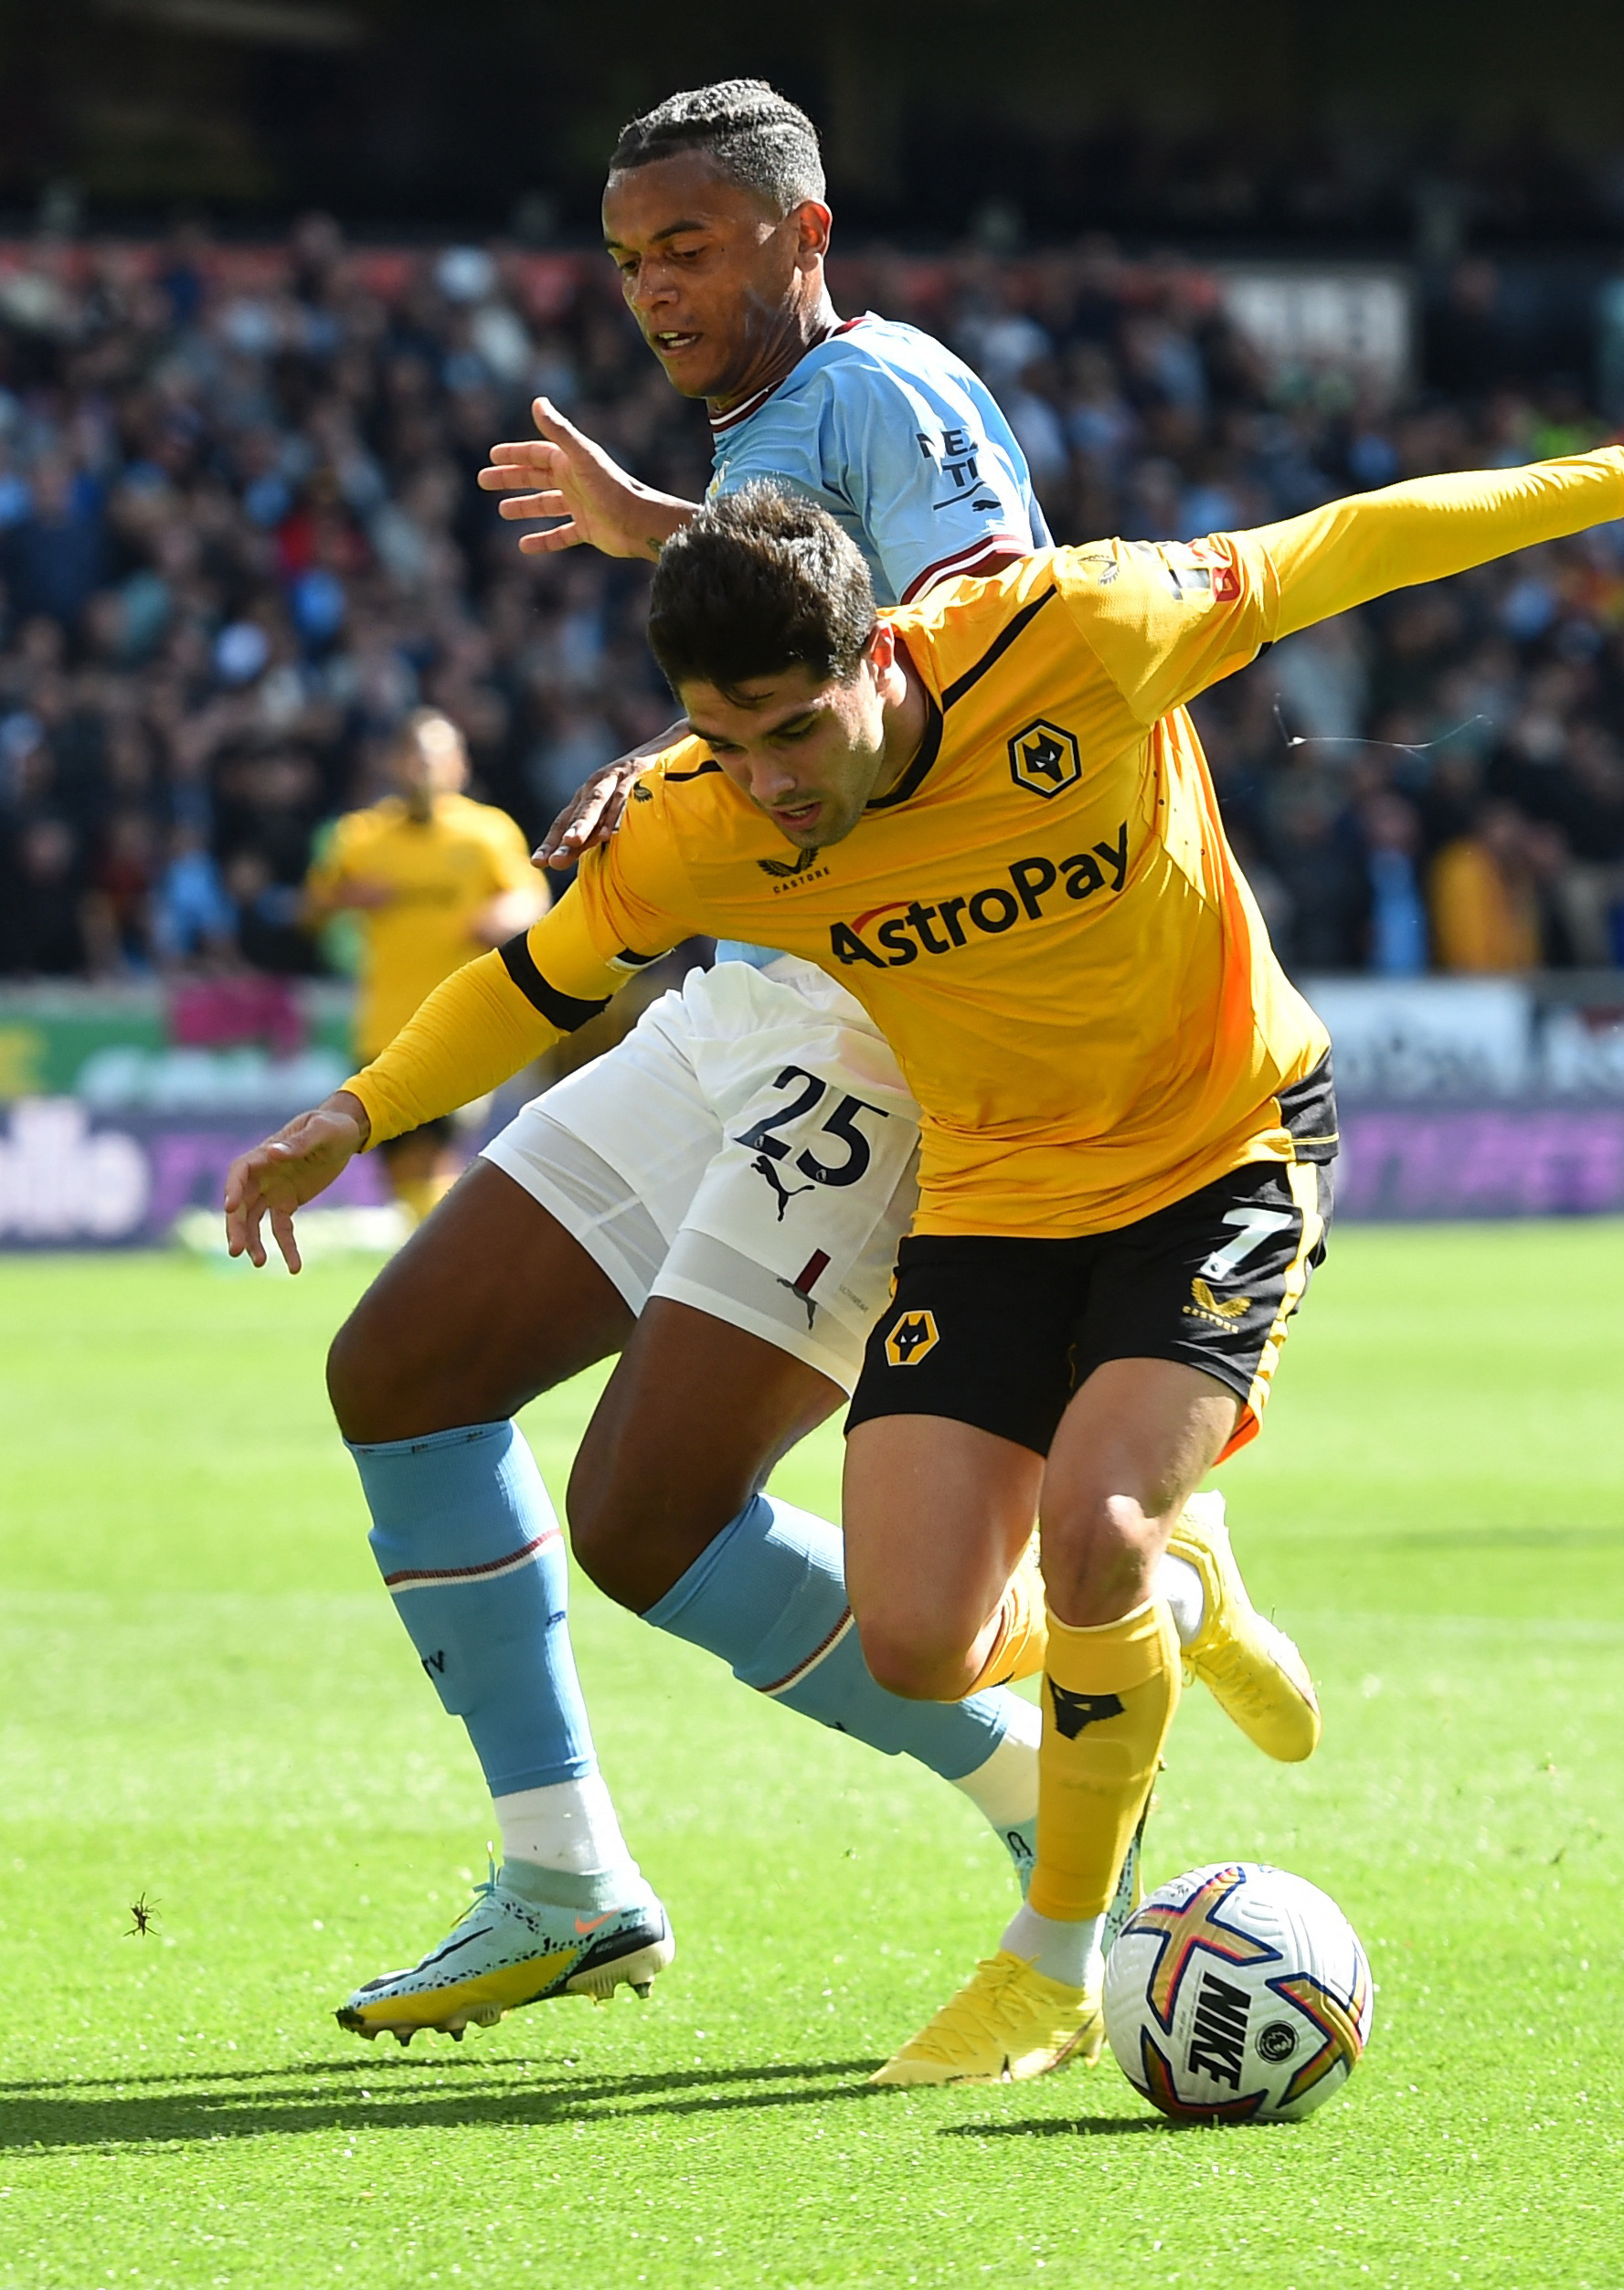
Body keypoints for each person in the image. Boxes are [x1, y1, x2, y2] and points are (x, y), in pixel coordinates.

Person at [228, 387, 1624, 2081]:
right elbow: (541, 980)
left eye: (791, 733)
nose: (766, 783)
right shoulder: (706, 818)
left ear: (877, 651)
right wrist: (357, 1113)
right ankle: (1180, 1593)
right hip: (992, 1194)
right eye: (721, 740)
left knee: (1095, 1524)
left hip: (1219, 1148)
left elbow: (1345, 546)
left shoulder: (1079, 631)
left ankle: (1055, 1955)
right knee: (919, 1640)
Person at [239, 80, 1077, 2052]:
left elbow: (984, 633)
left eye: (690, 248)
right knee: (402, 1370)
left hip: (885, 1020)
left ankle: (1048, 1793)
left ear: (805, 233)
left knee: (647, 1520)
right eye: (628, 262)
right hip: (744, 990)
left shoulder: (886, 389)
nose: (654, 292)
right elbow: (807, 635)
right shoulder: (764, 435)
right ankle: (564, 1879)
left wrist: (692, 714)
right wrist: (669, 533)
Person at [301, 709, 547, 1222]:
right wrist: (345, 897)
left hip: (460, 1021)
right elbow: (310, 911)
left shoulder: (486, 833)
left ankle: (450, 1254)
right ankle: (440, 1249)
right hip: (384, 1027)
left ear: (460, 765)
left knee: (436, 1157)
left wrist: (504, 915)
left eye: (435, 758)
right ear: (393, 763)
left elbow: (532, 899)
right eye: (414, 757)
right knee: (400, 1170)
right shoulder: (360, 837)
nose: (424, 770)